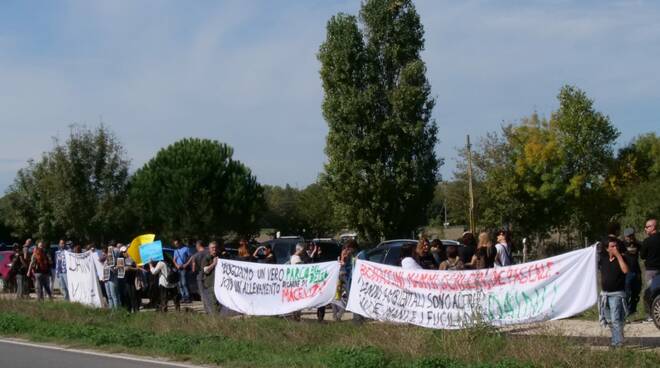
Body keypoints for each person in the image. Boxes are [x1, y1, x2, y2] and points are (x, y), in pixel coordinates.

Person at [598, 237, 629, 348]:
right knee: (609, 320)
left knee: (616, 319)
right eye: (612, 246)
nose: (615, 248)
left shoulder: (622, 258)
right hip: (605, 294)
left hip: (616, 294)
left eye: (616, 246)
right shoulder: (604, 259)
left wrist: (618, 255)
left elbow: (625, 270)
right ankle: (615, 339)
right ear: (607, 249)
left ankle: (618, 343)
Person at [622, 228, 642, 316]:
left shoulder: (637, 244)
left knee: (636, 292)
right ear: (625, 236)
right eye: (629, 236)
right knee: (626, 293)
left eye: (632, 235)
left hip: (636, 271)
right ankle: (624, 312)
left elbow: (644, 250)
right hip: (627, 273)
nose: (631, 237)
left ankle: (632, 311)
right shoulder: (622, 245)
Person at [201, 241, 222, 314]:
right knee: (214, 302)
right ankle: (216, 318)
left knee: (220, 302)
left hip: (220, 284)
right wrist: (214, 264)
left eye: (216, 248)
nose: (214, 249)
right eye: (212, 248)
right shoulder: (206, 258)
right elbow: (205, 270)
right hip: (211, 284)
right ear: (209, 249)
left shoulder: (220, 257)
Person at [119, 246, 140, 313]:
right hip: (124, 281)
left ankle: (136, 310)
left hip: (132, 280)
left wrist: (130, 268)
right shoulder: (120, 260)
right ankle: (128, 310)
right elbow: (119, 271)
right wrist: (118, 268)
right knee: (126, 296)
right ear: (121, 253)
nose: (125, 253)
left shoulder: (131, 259)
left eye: (126, 251)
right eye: (124, 252)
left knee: (133, 296)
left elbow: (137, 268)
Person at [173, 239, 193, 304]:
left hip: (184, 267)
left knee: (184, 283)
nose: (176, 245)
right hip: (178, 268)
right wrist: (176, 265)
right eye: (175, 244)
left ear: (180, 243)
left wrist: (186, 264)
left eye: (177, 244)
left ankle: (188, 297)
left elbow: (191, 257)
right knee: (180, 284)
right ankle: (183, 297)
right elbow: (174, 260)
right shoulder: (175, 251)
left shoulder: (186, 249)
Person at [640, 218, 659, 287]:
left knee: (653, 292)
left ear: (653, 227)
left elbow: (642, 256)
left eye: (647, 227)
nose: (645, 229)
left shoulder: (647, 241)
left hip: (652, 271)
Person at [191, 240, 208, 308]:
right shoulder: (209, 252)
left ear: (198, 246)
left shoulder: (195, 256)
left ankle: (206, 308)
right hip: (210, 275)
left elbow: (194, 269)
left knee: (202, 293)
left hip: (200, 276)